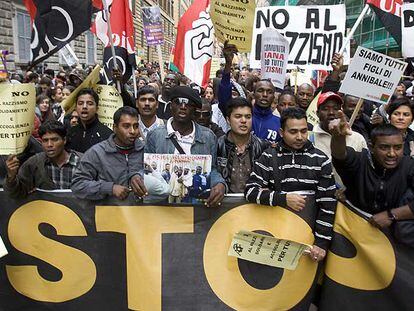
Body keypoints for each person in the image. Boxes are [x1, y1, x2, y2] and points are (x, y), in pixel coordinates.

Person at [245, 108, 337, 262]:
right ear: (281, 132)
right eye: (293, 132)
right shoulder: (268, 156)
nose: (300, 137)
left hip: (309, 241)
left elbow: (327, 205)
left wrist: (321, 243)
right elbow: (250, 192)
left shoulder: (321, 160)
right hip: (275, 238)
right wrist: (283, 199)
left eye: (303, 131)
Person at [146, 86, 226, 207]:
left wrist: (220, 184)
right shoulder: (155, 135)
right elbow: (147, 169)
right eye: (178, 102)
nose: (183, 107)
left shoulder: (208, 137)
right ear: (171, 106)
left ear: (194, 109)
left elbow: (211, 169)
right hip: (161, 207)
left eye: (188, 104)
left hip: (195, 208)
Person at [330, 115, 414, 228]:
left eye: (398, 148)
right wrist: (338, 136)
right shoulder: (360, 161)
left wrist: (392, 215)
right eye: (384, 147)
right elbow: (340, 156)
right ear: (371, 147)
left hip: (390, 237)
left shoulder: (409, 165)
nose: (392, 154)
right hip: (351, 226)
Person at [71, 107, 147, 201]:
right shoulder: (97, 153)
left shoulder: (145, 150)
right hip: (109, 212)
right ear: (115, 128)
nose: (132, 131)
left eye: (135, 126)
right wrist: (109, 188)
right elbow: (78, 185)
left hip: (142, 212)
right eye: (126, 126)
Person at [4, 121, 82, 198]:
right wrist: (11, 176)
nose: (49, 145)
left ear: (64, 140)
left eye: (54, 140)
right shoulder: (34, 163)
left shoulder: (82, 162)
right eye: (45, 140)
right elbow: (16, 194)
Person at [311, 92, 367, 186]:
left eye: (336, 108)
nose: (331, 112)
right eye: (325, 109)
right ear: (317, 113)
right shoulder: (309, 139)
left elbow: (365, 171)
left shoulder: (358, 138)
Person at [217, 97, 269, 193]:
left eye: (248, 117)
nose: (244, 120)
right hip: (225, 204)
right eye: (238, 116)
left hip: (255, 203)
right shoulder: (218, 146)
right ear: (228, 120)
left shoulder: (263, 146)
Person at [66, 88, 113, 153]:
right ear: (76, 108)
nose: (84, 106)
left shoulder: (107, 135)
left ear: (97, 108)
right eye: (80, 103)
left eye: (90, 103)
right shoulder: (70, 133)